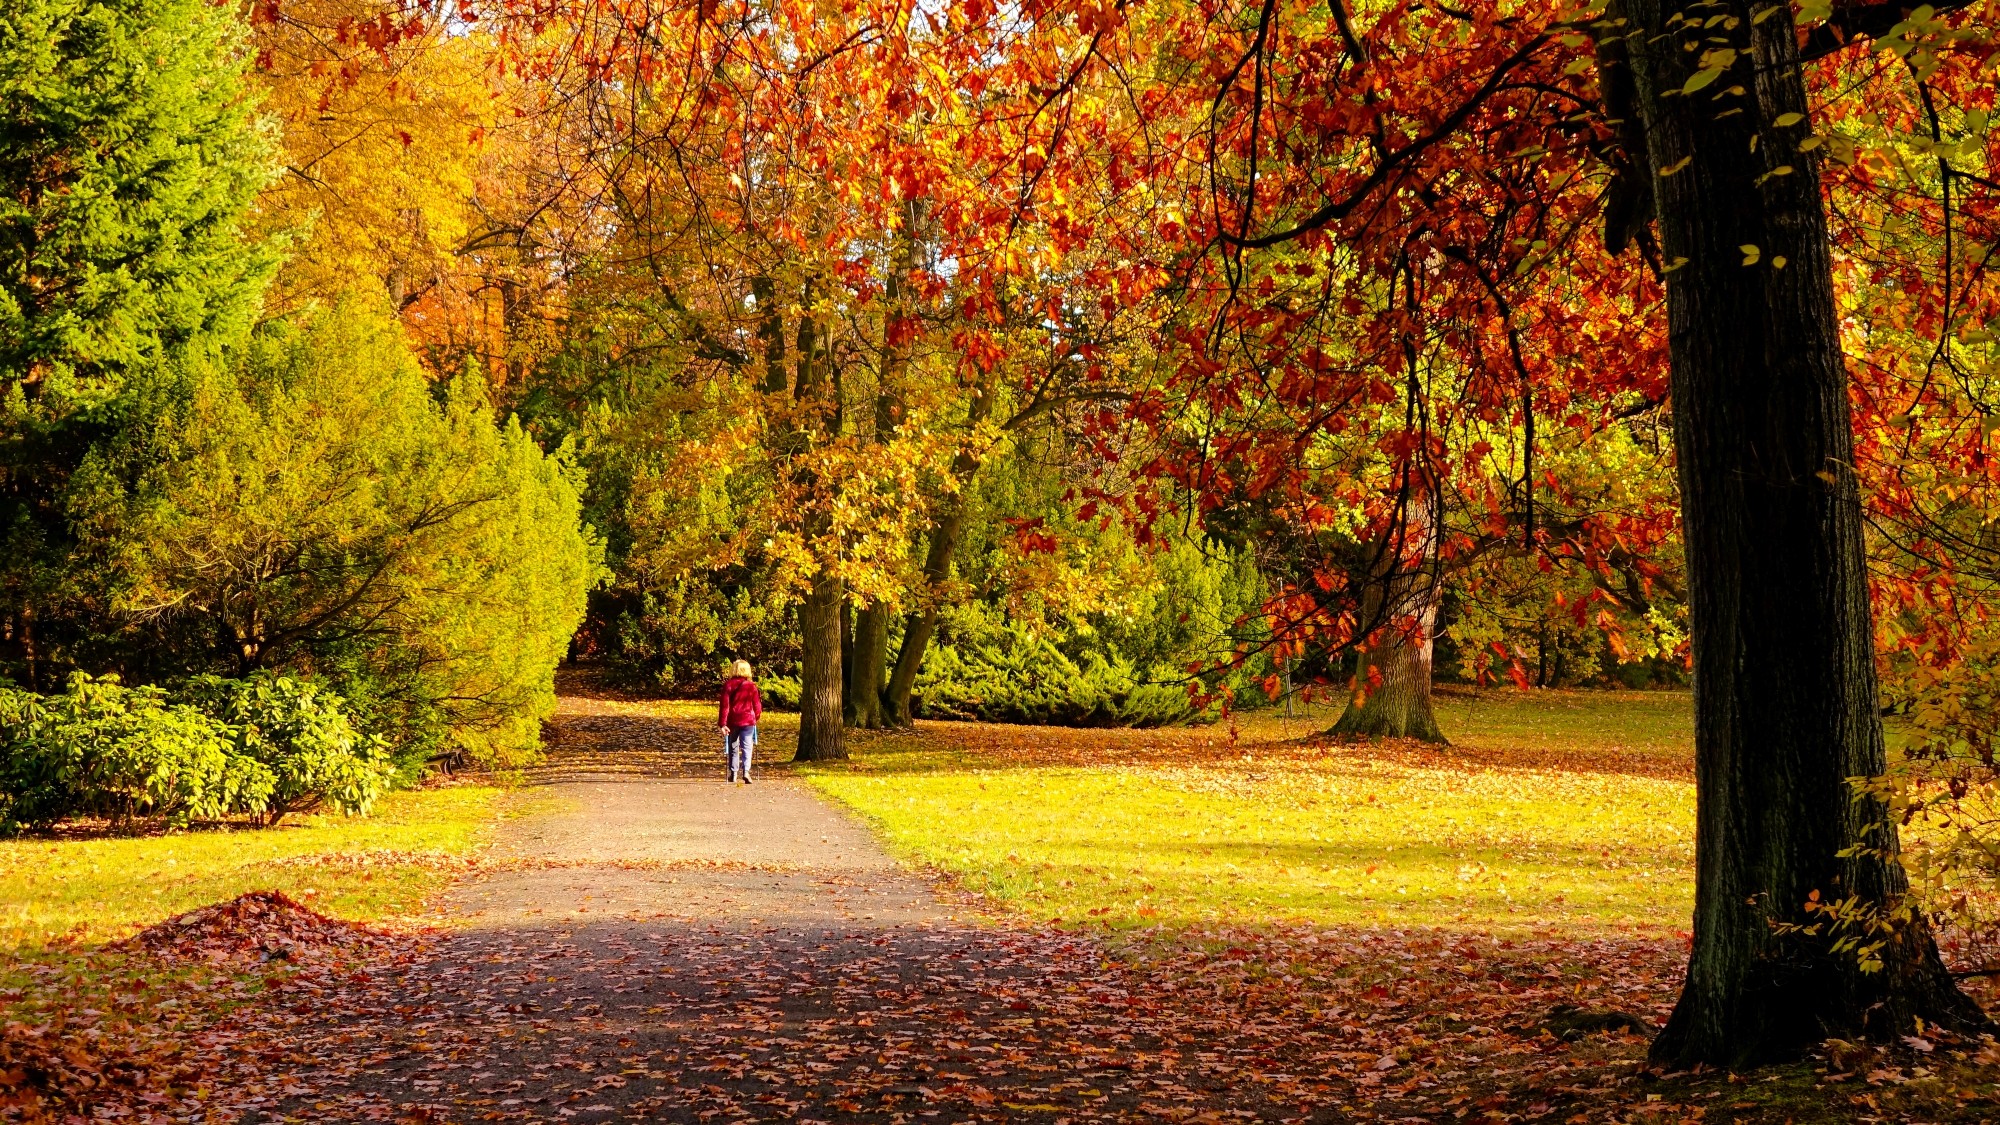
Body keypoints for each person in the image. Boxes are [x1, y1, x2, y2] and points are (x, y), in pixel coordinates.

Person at [717, 659, 763, 784]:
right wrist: (755, 718)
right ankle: (746, 771)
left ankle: (734, 773)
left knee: (733, 746)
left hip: (733, 720)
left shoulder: (728, 685)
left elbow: (724, 706)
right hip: (748, 720)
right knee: (747, 746)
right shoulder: (751, 686)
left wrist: (723, 724)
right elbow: (757, 706)